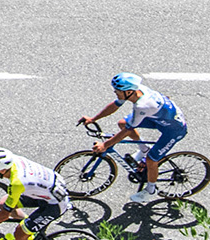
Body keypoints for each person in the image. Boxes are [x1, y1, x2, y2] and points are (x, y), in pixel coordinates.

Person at [79, 75, 189, 205]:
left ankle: (150, 190)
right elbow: (116, 105)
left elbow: (126, 131)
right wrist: (93, 119)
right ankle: (143, 150)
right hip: (159, 118)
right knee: (122, 123)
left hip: (173, 129)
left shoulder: (142, 106)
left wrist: (105, 145)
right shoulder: (136, 90)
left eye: (118, 91)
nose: (116, 93)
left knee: (151, 160)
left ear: (128, 91)